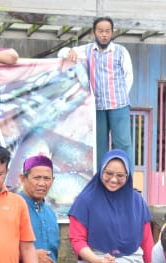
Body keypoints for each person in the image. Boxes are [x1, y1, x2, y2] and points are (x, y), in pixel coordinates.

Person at [68, 149, 155, 263]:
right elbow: (77, 240)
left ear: (128, 176)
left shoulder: (137, 202)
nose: (114, 180)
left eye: (120, 175)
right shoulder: (85, 200)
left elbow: (147, 244)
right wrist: (99, 262)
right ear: (101, 171)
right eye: (108, 173)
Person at [58, 16, 133, 162]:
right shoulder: (86, 50)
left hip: (119, 105)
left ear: (112, 32)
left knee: (123, 144)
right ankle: (100, 175)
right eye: (100, 31)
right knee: (99, 147)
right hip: (96, 107)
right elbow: (62, 52)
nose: (104, 35)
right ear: (94, 32)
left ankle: (126, 176)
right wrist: (68, 52)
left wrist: (120, 97)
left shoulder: (121, 51)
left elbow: (128, 76)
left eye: (107, 31)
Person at [17, 154, 60, 263]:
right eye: (36, 178)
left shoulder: (50, 213)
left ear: (52, 180)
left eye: (47, 178)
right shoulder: (12, 207)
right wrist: (30, 255)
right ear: (23, 178)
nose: (42, 183)